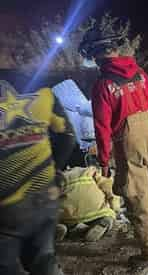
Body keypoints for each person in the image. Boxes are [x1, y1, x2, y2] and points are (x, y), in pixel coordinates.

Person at [79, 19, 148, 269]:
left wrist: (104, 162)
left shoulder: (103, 85)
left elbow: (102, 129)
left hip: (129, 143)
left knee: (138, 198)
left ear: (97, 54)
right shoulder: (140, 74)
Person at [0, 80, 75, 275]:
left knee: (6, 265)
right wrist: (55, 171)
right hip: (45, 197)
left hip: (7, 206)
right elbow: (68, 136)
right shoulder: (42, 100)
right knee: (43, 258)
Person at [55, 166, 122, 242]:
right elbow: (108, 186)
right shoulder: (91, 172)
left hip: (67, 212)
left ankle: (59, 227)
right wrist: (115, 207)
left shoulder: (57, 178)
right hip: (95, 209)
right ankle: (103, 221)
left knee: (58, 217)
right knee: (108, 214)